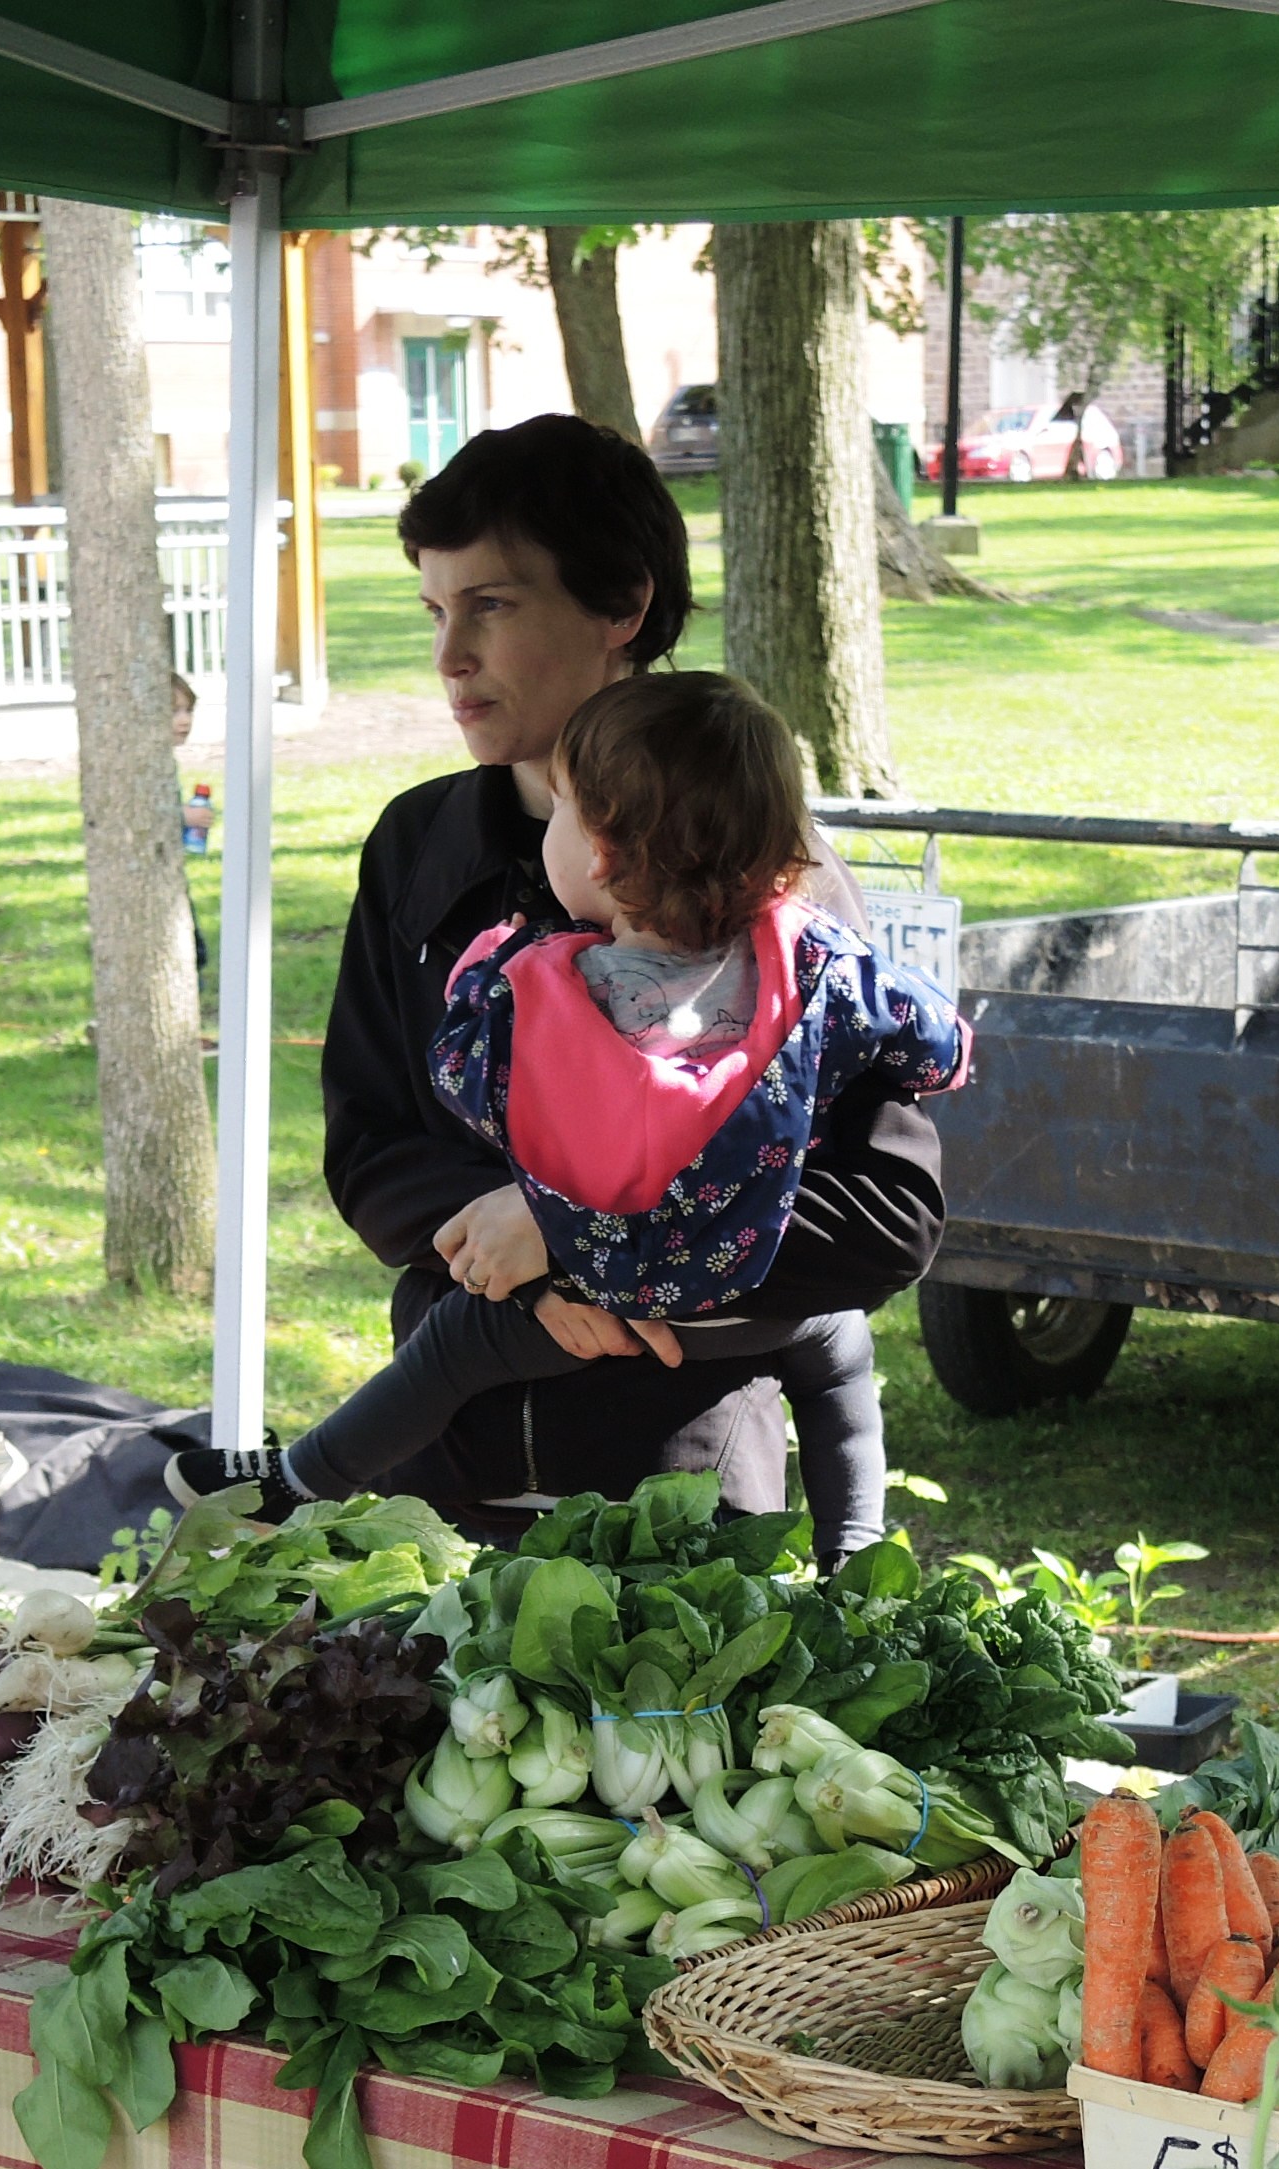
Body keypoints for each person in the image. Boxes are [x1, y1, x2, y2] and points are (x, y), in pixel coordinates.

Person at [320, 414, 944, 1525]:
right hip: (434, 1472)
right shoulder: (415, 849)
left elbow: (885, 1215)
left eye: (491, 606)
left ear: (623, 608)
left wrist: (580, 1242)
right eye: (434, 609)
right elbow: (369, 1147)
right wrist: (511, 1250)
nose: (447, 657)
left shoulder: (775, 888)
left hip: (678, 1491)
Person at [185, 674, 966, 1559]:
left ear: (597, 854)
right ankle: (854, 1550)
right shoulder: (815, 960)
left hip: (601, 1292)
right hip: (750, 1305)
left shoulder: (548, 982)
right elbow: (929, 1039)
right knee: (842, 1359)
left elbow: (460, 1082)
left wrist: (560, 1220)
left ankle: (298, 1478)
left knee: (452, 1348)